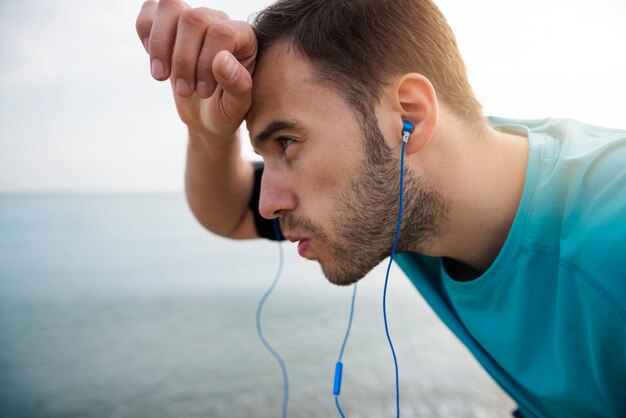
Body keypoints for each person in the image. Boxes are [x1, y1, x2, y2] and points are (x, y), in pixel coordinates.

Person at [135, 0, 626, 416]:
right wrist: (206, 131)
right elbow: (231, 212)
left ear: (409, 115)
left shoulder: (611, 245)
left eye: (287, 142)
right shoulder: (413, 186)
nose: (268, 204)